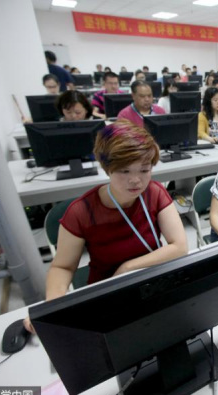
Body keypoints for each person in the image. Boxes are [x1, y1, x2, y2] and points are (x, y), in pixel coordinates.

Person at [23, 120, 188, 334]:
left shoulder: (154, 192)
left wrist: (128, 268)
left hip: (152, 281)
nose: (136, 180)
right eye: (124, 171)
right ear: (107, 168)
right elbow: (62, 267)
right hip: (108, 292)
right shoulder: (81, 212)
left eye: (145, 169)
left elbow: (179, 246)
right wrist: (52, 306)